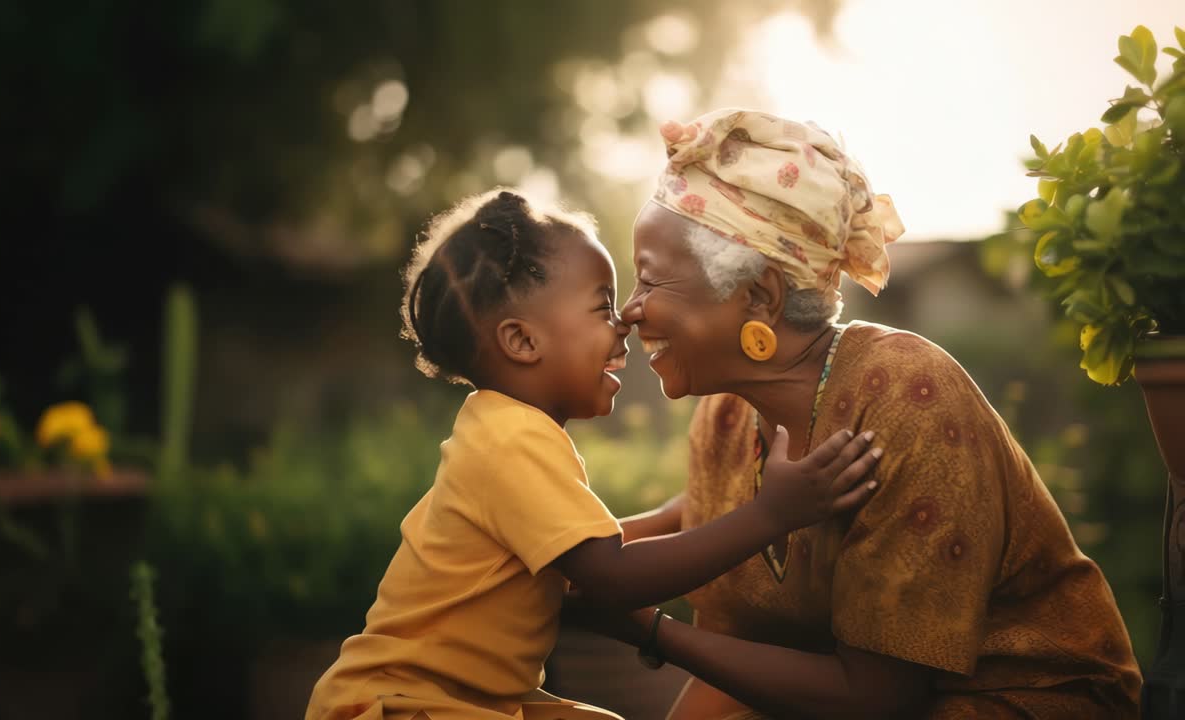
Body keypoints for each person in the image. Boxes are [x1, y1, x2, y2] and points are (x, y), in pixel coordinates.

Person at [579, 108, 1142, 719]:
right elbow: (705, 528)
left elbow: (878, 701)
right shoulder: (726, 415)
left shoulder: (909, 398)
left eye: (652, 283)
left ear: (760, 297)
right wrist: (540, 550)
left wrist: (651, 632)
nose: (630, 313)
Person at [305, 188, 883, 720]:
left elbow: (582, 550)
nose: (625, 322)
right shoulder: (513, 440)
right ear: (522, 341)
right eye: (602, 305)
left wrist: (692, 511)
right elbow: (608, 577)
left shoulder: (504, 429)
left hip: (459, 698)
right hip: (407, 705)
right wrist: (770, 517)